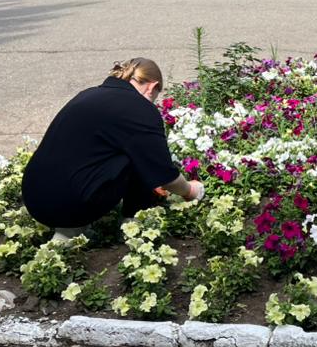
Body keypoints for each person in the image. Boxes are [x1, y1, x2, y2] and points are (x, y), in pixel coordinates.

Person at [22, 58, 203, 233]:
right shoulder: (140, 109)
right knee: (138, 154)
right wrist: (190, 190)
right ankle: (132, 221)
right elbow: (164, 174)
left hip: (34, 197)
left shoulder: (88, 94)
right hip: (71, 206)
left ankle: (68, 229)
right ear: (152, 87)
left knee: (124, 148)